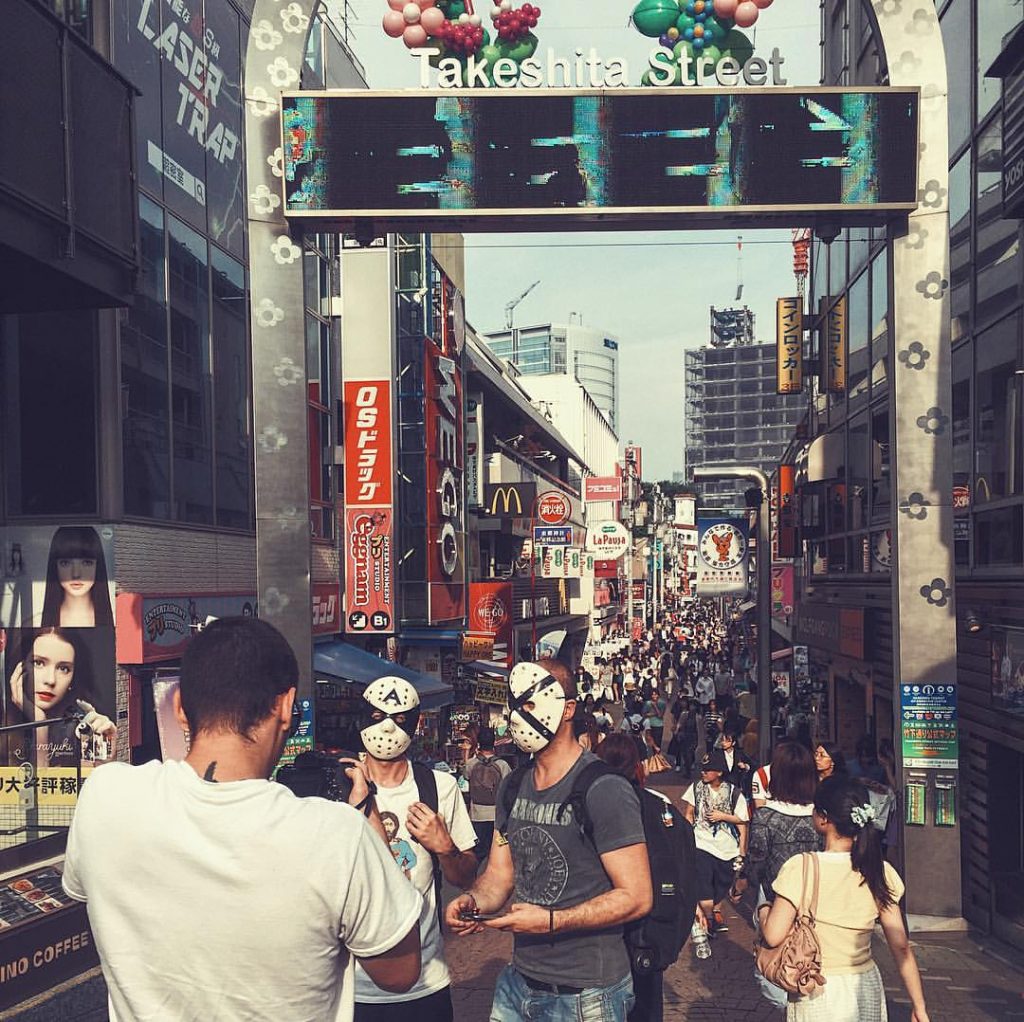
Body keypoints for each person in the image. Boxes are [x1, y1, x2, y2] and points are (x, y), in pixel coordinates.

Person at [62, 617, 423, 1021]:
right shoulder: (340, 836)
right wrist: (368, 813)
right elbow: (399, 972)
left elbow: (84, 892)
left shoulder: (105, 797)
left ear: (179, 707)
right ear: (285, 707)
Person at [447, 658, 651, 1022]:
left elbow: (636, 897)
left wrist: (553, 921)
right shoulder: (512, 786)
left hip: (588, 994)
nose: (518, 717)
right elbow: (499, 874)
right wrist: (473, 900)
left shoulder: (603, 788)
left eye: (530, 705)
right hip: (518, 984)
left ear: (568, 708)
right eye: (515, 705)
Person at [355, 676, 478, 1022]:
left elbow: (466, 874)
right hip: (352, 984)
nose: (389, 729)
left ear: (416, 723)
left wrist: (445, 848)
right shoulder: (338, 784)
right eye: (378, 716)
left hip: (425, 980)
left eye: (400, 718)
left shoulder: (439, 787)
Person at [760, 777, 930, 1022]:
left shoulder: (801, 867)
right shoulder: (878, 871)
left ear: (823, 818)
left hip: (816, 986)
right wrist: (919, 1006)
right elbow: (901, 946)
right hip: (865, 984)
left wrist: (763, 911)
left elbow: (773, 935)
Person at [734, 741, 821, 1009]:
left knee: (776, 960)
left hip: (776, 898)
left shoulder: (766, 816)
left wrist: (741, 882)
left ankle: (790, 1006)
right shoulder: (821, 815)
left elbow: (757, 860)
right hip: (817, 898)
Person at [594, 734, 671, 1022]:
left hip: (600, 934)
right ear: (637, 765)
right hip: (645, 935)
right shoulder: (656, 805)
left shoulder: (586, 804)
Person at [4, 628, 116, 767]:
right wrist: (40, 723)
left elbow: (45, 786)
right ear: (19, 669)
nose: (51, 680)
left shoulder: (82, 728)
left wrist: (106, 759)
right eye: (38, 663)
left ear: (73, 678)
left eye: (64, 669)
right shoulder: (4, 721)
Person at [682, 750, 749, 937]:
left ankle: (710, 915)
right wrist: (688, 834)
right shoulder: (696, 788)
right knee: (703, 882)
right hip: (701, 843)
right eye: (702, 769)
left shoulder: (734, 793)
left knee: (722, 884)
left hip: (726, 848)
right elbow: (689, 812)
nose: (703, 773)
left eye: (708, 770)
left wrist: (741, 851)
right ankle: (710, 921)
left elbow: (742, 821)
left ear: (719, 772)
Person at [40, 526, 113, 628]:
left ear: (98, 566)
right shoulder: (34, 624)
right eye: (65, 563)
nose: (76, 574)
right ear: (55, 567)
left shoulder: (116, 622)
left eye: (86, 563)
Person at [464, 726, 511, 861]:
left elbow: (466, 777)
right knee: (498, 851)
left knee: (479, 852)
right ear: (493, 742)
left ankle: (477, 876)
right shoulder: (502, 764)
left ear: (478, 743)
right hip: (497, 815)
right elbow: (508, 786)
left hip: (477, 815)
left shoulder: (472, 764)